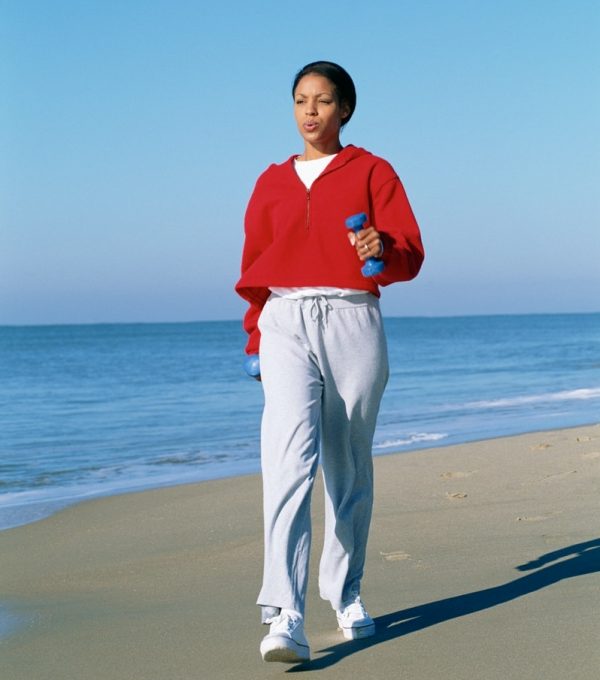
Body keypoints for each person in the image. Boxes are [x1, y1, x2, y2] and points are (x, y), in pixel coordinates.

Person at [235, 60, 424, 664]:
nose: (310, 111)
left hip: (352, 317)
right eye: (300, 100)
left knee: (348, 465)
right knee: (286, 463)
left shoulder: (373, 171)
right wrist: (254, 339)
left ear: (344, 109)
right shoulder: (270, 182)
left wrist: (382, 246)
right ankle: (284, 614)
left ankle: (345, 593)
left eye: (321, 100)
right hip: (285, 320)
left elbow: (410, 254)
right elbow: (254, 266)